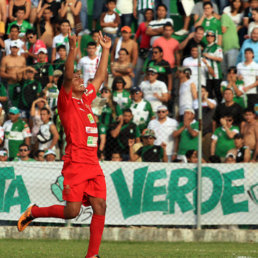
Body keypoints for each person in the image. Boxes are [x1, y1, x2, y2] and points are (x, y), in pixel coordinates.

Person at [18, 31, 112, 258]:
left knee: (100, 206)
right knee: (72, 212)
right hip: (76, 163)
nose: (82, 78)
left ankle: (92, 256)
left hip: (92, 163)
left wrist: (106, 50)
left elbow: (99, 78)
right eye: (78, 77)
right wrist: (72, 49)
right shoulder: (66, 100)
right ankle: (34, 211)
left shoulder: (86, 97)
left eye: (82, 76)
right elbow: (68, 76)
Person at [0, 40, 26, 107]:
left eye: (16, 48)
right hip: (10, 85)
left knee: (21, 105)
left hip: (21, 84)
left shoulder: (22, 59)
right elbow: (1, 73)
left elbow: (24, 72)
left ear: (18, 49)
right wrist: (10, 76)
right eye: (13, 48)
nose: (14, 50)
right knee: (10, 105)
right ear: (10, 48)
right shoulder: (5, 59)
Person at [203, 30, 223, 103]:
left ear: (214, 37)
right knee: (209, 94)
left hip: (216, 74)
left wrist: (209, 56)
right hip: (208, 75)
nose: (209, 37)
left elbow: (220, 59)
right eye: (208, 36)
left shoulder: (217, 47)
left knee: (218, 93)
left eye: (211, 36)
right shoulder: (205, 47)